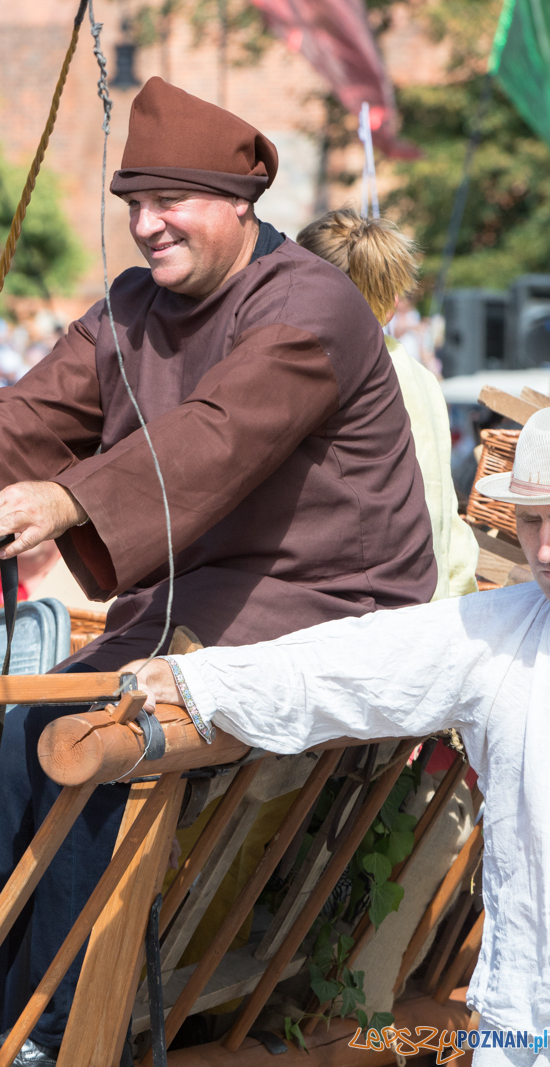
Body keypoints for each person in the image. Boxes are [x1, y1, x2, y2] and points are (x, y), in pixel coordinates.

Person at [0, 78, 436, 1065]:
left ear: (236, 202)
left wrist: (70, 499)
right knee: (7, 728)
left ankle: (51, 1032)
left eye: (167, 201)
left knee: (81, 736)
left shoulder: (308, 307)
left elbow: (213, 436)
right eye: (132, 205)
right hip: (191, 610)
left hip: (322, 610)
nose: (144, 225)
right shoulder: (132, 307)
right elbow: (36, 407)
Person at [132, 406, 550, 1065]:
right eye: (532, 519)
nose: (545, 546)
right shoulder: (499, 631)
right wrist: (200, 678)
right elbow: (354, 661)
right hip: (527, 1022)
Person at [295, 209, 477, 599]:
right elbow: (446, 516)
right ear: (393, 303)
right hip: (436, 598)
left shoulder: (330, 370)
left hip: (374, 609)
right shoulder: (421, 377)